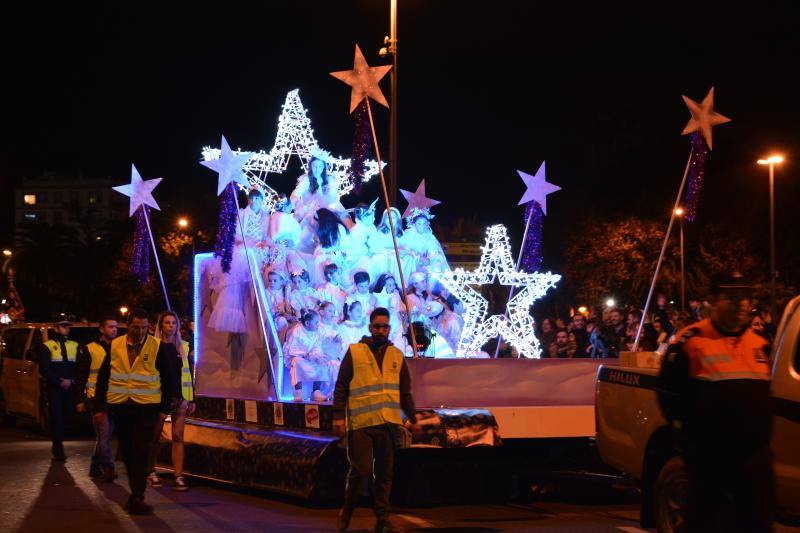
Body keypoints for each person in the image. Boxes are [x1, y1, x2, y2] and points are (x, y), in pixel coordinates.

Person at [657, 274, 774, 532]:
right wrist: (687, 435)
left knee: (757, 522)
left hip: (753, 457)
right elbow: (668, 392)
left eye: (745, 297)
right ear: (712, 301)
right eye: (732, 297)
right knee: (706, 521)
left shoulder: (761, 343)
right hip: (709, 456)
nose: (742, 304)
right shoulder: (691, 341)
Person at [332, 307, 423, 532]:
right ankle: (348, 507)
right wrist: (338, 417)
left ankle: (383, 520)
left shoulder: (396, 355)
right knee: (361, 470)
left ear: (389, 328)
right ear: (370, 327)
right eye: (377, 326)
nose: (381, 330)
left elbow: (405, 391)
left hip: (388, 423)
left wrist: (413, 418)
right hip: (361, 423)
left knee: (384, 474)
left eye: (385, 326)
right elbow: (341, 386)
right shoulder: (355, 352)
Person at [93, 308, 176, 515]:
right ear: (127, 325)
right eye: (136, 327)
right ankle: (135, 493)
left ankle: (138, 495)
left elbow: (168, 380)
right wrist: (98, 407)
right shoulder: (115, 345)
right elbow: (103, 377)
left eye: (144, 328)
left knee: (140, 450)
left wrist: (164, 409)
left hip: (147, 407)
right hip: (121, 406)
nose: (140, 332)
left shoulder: (158, 347)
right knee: (128, 452)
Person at [147, 311, 196, 492]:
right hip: (160, 397)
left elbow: (188, 374)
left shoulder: (183, 346)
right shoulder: (153, 345)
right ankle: (151, 471)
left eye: (173, 323)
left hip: (180, 396)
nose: (170, 326)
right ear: (161, 326)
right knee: (155, 437)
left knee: (178, 437)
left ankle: (178, 475)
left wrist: (191, 398)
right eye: (167, 323)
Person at [74, 318, 118, 479]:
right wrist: (80, 399)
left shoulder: (119, 347)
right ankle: (108, 467)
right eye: (110, 327)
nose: (114, 329)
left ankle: (94, 465)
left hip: (115, 395)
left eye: (116, 327)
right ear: (101, 329)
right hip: (96, 397)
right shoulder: (91, 349)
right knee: (105, 432)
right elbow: (81, 376)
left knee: (104, 434)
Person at [39, 319, 79, 461]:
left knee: (68, 416)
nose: (66, 329)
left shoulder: (74, 345)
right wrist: (58, 382)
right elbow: (44, 368)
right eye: (63, 327)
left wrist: (72, 381)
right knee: (57, 418)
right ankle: (58, 449)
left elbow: (79, 367)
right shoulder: (48, 346)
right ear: (55, 329)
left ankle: (58, 446)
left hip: (70, 386)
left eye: (68, 326)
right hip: (55, 387)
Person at [284, 310, 329, 402]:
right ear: (308, 323)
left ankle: (316, 391)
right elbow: (291, 350)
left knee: (322, 361)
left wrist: (316, 355)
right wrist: (306, 355)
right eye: (316, 322)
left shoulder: (316, 332)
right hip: (298, 357)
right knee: (296, 362)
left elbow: (317, 346)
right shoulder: (296, 331)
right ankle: (298, 391)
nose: (318, 324)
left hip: (310, 357)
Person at [372, 274, 406, 346]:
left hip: (396, 322)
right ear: (383, 286)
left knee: (397, 341)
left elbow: (402, 308)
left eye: (393, 284)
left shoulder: (396, 294)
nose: (393, 287)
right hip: (384, 323)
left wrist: (401, 314)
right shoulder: (377, 296)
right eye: (389, 285)